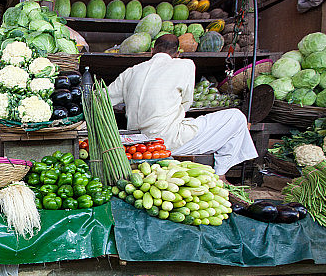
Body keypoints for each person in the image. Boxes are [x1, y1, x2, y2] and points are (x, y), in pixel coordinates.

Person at [107, 34, 257, 177]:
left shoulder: (131, 71)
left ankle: (220, 172)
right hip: (166, 141)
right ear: (178, 53)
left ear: (152, 51)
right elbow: (186, 104)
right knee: (236, 117)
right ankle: (220, 173)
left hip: (138, 144)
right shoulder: (185, 65)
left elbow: (104, 97)